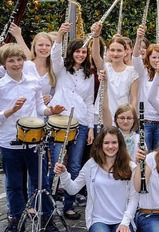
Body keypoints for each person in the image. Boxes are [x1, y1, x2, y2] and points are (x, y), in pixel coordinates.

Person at [0, 43, 65, 232]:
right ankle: (16, 221)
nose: (16, 63)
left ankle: (46, 219)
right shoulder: (1, 86)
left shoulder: (33, 82)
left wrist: (51, 110)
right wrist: (11, 111)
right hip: (9, 141)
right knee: (13, 184)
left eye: (19, 59)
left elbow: (39, 109)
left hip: (34, 142)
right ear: (4, 64)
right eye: (11, 60)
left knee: (41, 183)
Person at [49, 22, 96, 220]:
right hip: (60, 122)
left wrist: (91, 128)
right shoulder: (61, 69)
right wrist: (60, 34)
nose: (80, 55)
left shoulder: (89, 74)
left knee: (75, 166)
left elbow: (89, 102)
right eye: (77, 51)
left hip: (82, 123)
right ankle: (49, 206)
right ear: (72, 53)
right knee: (58, 163)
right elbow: (54, 54)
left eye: (84, 52)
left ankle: (69, 205)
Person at [53, 126, 138, 231]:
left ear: (120, 144)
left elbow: (134, 198)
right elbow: (72, 189)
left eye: (114, 142)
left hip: (123, 220)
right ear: (100, 145)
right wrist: (64, 173)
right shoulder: (91, 165)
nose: (110, 146)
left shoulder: (131, 167)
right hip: (98, 220)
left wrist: (125, 222)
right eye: (106, 143)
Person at [91, 23, 139, 127]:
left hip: (122, 118)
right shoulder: (105, 68)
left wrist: (132, 118)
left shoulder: (132, 72)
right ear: (108, 51)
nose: (115, 54)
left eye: (119, 50)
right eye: (112, 50)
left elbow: (134, 99)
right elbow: (95, 56)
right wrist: (96, 36)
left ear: (125, 51)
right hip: (102, 117)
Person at [132, 25, 159, 151]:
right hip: (145, 121)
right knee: (145, 155)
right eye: (153, 57)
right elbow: (135, 56)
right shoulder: (143, 72)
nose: (156, 60)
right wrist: (138, 37)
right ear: (148, 58)